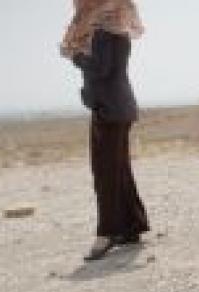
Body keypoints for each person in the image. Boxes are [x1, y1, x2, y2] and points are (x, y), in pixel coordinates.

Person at [61, 0, 149, 261]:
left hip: (109, 110)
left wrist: (75, 56)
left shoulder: (103, 30)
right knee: (119, 169)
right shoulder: (117, 29)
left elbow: (101, 69)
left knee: (105, 173)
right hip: (118, 107)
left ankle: (107, 233)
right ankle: (132, 227)